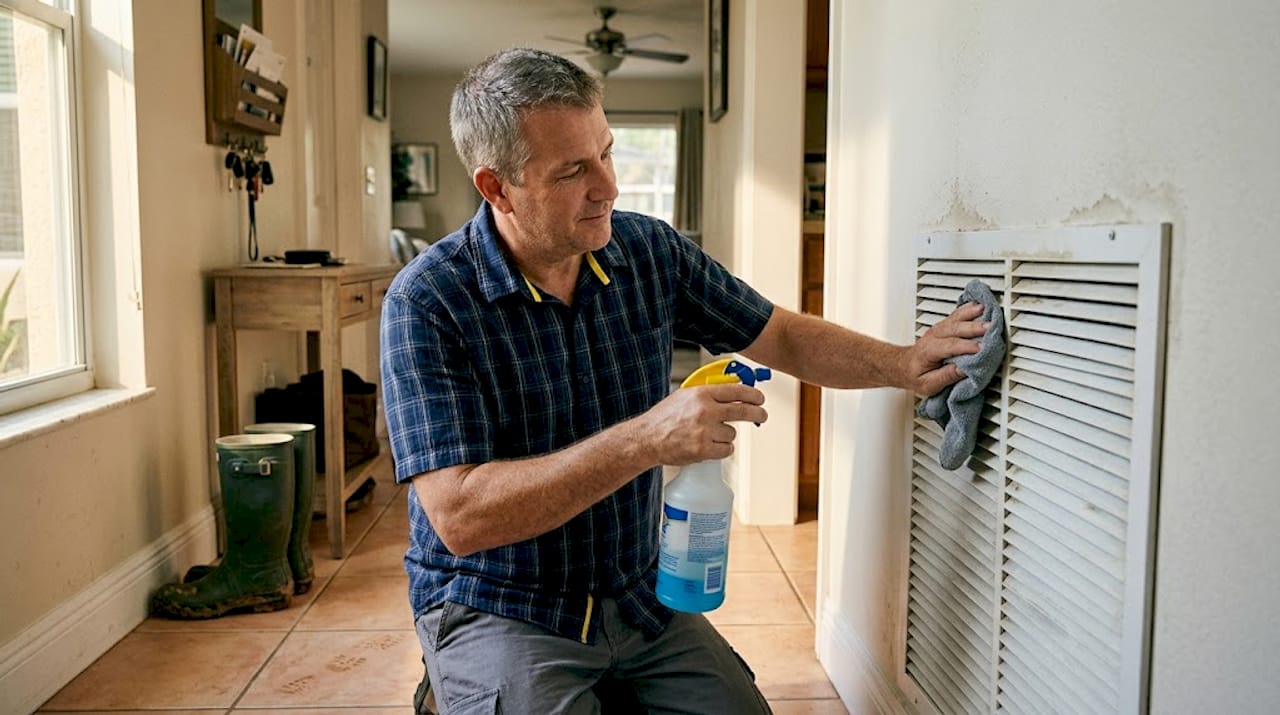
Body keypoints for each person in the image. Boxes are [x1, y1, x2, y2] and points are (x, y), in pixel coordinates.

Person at [380, 48, 987, 714]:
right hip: (498, 602)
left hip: (637, 593)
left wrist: (904, 363)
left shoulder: (647, 251)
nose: (608, 186)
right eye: (573, 170)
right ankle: (457, 678)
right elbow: (461, 517)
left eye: (606, 153)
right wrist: (644, 440)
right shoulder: (427, 301)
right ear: (496, 187)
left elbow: (777, 333)